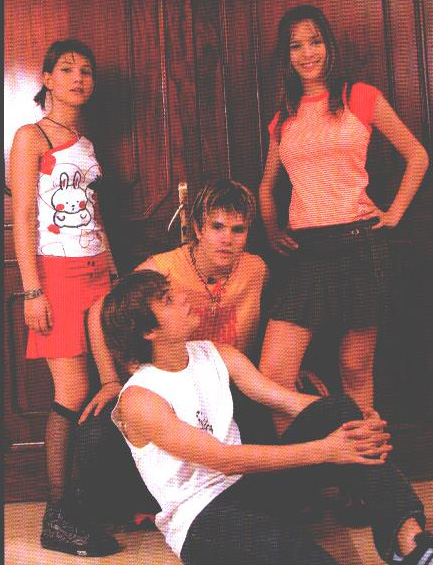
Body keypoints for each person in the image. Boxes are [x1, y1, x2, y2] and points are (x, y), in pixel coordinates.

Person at [102, 269, 432, 565]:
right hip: (203, 520)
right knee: (309, 557)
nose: (184, 298)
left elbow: (288, 402)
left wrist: (357, 420)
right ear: (148, 330)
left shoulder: (215, 354)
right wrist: (327, 449)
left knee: (340, 410)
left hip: (252, 489)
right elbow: (223, 459)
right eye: (168, 300)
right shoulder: (140, 399)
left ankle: (410, 544)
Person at [258, 5, 429, 434]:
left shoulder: (361, 96)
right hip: (306, 253)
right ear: (286, 56)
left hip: (359, 245)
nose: (307, 53)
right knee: (275, 373)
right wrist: (273, 230)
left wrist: (393, 214)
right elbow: (266, 186)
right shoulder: (284, 115)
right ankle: (297, 469)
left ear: (329, 45)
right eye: (296, 46)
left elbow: (417, 156)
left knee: (354, 367)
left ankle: (364, 467)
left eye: (315, 41)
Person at [10, 39, 120, 556]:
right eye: (68, 69)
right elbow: (22, 219)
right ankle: (57, 516)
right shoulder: (29, 137)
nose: (79, 78)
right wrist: (32, 290)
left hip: (98, 274)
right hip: (55, 277)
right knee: (72, 392)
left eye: (87, 70)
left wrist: (113, 268)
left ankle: (85, 503)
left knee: (104, 386)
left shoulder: (85, 141)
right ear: (48, 79)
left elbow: (93, 214)